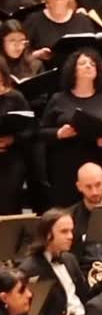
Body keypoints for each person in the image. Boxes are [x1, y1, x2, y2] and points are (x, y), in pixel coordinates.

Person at [40, 47, 102, 207]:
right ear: (73, 70)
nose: (88, 66)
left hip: (100, 162)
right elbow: (41, 132)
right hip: (67, 165)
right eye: (83, 63)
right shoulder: (58, 98)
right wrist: (59, 133)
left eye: (92, 64)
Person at [19, 209, 91, 315]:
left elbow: (85, 296)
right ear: (47, 235)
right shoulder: (30, 269)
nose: (71, 236)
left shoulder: (69, 259)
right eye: (64, 231)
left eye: (71, 230)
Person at [0, 55, 33, 213]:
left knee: (9, 203)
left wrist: (12, 139)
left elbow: (31, 130)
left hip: (11, 159)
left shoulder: (15, 97)